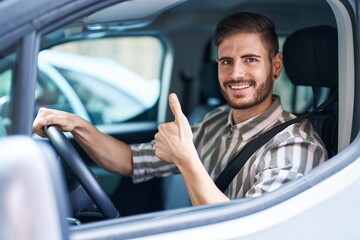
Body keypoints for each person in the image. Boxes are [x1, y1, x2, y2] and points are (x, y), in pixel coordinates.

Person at [33, 12, 327, 206]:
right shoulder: (214, 123)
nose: (236, 73)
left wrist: (186, 159)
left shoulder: (295, 146)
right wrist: (77, 124)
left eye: (250, 59)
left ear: (275, 66)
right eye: (226, 61)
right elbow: (129, 161)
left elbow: (244, 231)